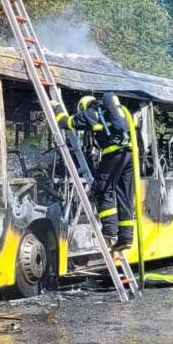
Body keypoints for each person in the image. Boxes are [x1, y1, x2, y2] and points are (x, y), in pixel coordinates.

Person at [54, 92, 137, 251]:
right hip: (129, 154)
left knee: (102, 189)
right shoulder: (114, 113)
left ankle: (109, 231)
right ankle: (126, 237)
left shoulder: (91, 114)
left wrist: (56, 106)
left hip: (112, 153)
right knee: (124, 194)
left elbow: (65, 122)